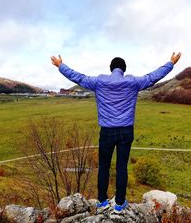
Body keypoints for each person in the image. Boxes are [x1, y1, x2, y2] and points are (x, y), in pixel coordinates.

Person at [51, 52, 181, 213]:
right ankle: (119, 203)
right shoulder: (133, 82)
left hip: (106, 132)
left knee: (104, 166)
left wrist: (60, 65)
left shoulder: (99, 81)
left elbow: (78, 77)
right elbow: (153, 77)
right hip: (126, 131)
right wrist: (171, 63)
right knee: (122, 167)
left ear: (111, 68)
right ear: (124, 70)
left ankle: (102, 201)